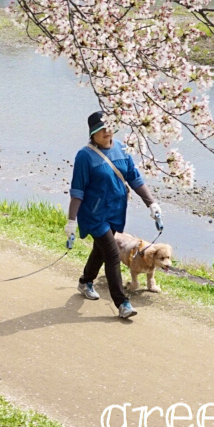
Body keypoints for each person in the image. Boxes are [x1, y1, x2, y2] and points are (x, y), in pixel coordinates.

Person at [66, 111, 163, 320]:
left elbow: (134, 178)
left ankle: (85, 281)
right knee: (111, 254)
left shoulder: (121, 148)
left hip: (114, 212)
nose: (106, 132)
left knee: (101, 250)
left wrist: (152, 204)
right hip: (94, 215)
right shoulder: (84, 156)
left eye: (109, 127)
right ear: (92, 133)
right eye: (101, 130)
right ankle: (122, 303)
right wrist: (71, 221)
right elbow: (77, 191)